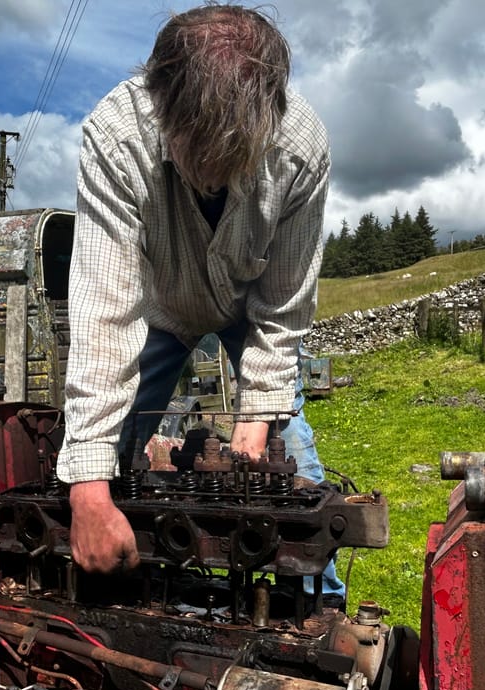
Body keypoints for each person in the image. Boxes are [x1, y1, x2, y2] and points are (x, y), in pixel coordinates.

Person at [56, 3, 344, 600]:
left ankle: (323, 601)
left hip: (251, 308)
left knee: (292, 459)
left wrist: (259, 415)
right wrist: (87, 487)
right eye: (200, 149)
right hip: (156, 309)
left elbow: (285, 302)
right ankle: (119, 584)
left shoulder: (303, 147)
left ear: (270, 114)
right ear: (163, 107)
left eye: (232, 152)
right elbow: (104, 312)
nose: (214, 172)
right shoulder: (116, 136)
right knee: (115, 456)